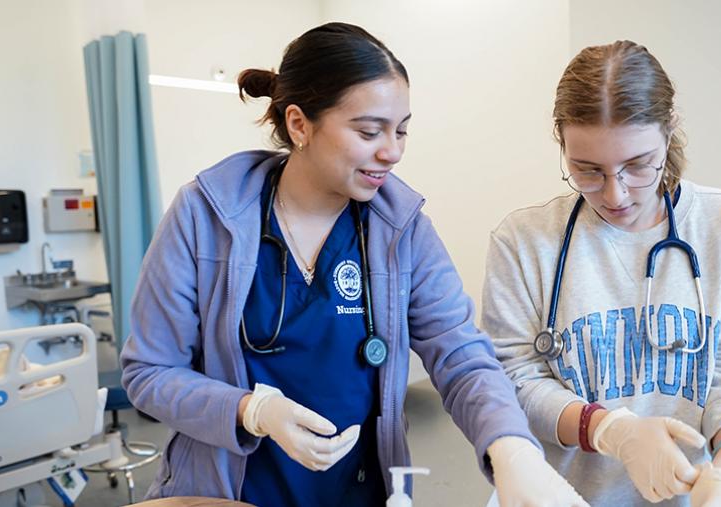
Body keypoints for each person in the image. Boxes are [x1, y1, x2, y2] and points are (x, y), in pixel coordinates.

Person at [120, 22, 587, 507]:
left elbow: (460, 355)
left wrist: (510, 447)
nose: (393, 151)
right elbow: (150, 372)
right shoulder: (206, 215)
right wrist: (251, 409)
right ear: (300, 124)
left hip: (356, 492)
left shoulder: (401, 230)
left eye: (402, 130)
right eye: (370, 131)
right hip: (230, 490)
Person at [482, 40, 721, 506]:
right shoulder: (523, 242)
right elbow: (515, 379)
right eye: (587, 170)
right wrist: (611, 430)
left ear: (668, 133)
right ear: (561, 143)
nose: (616, 194)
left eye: (637, 166)